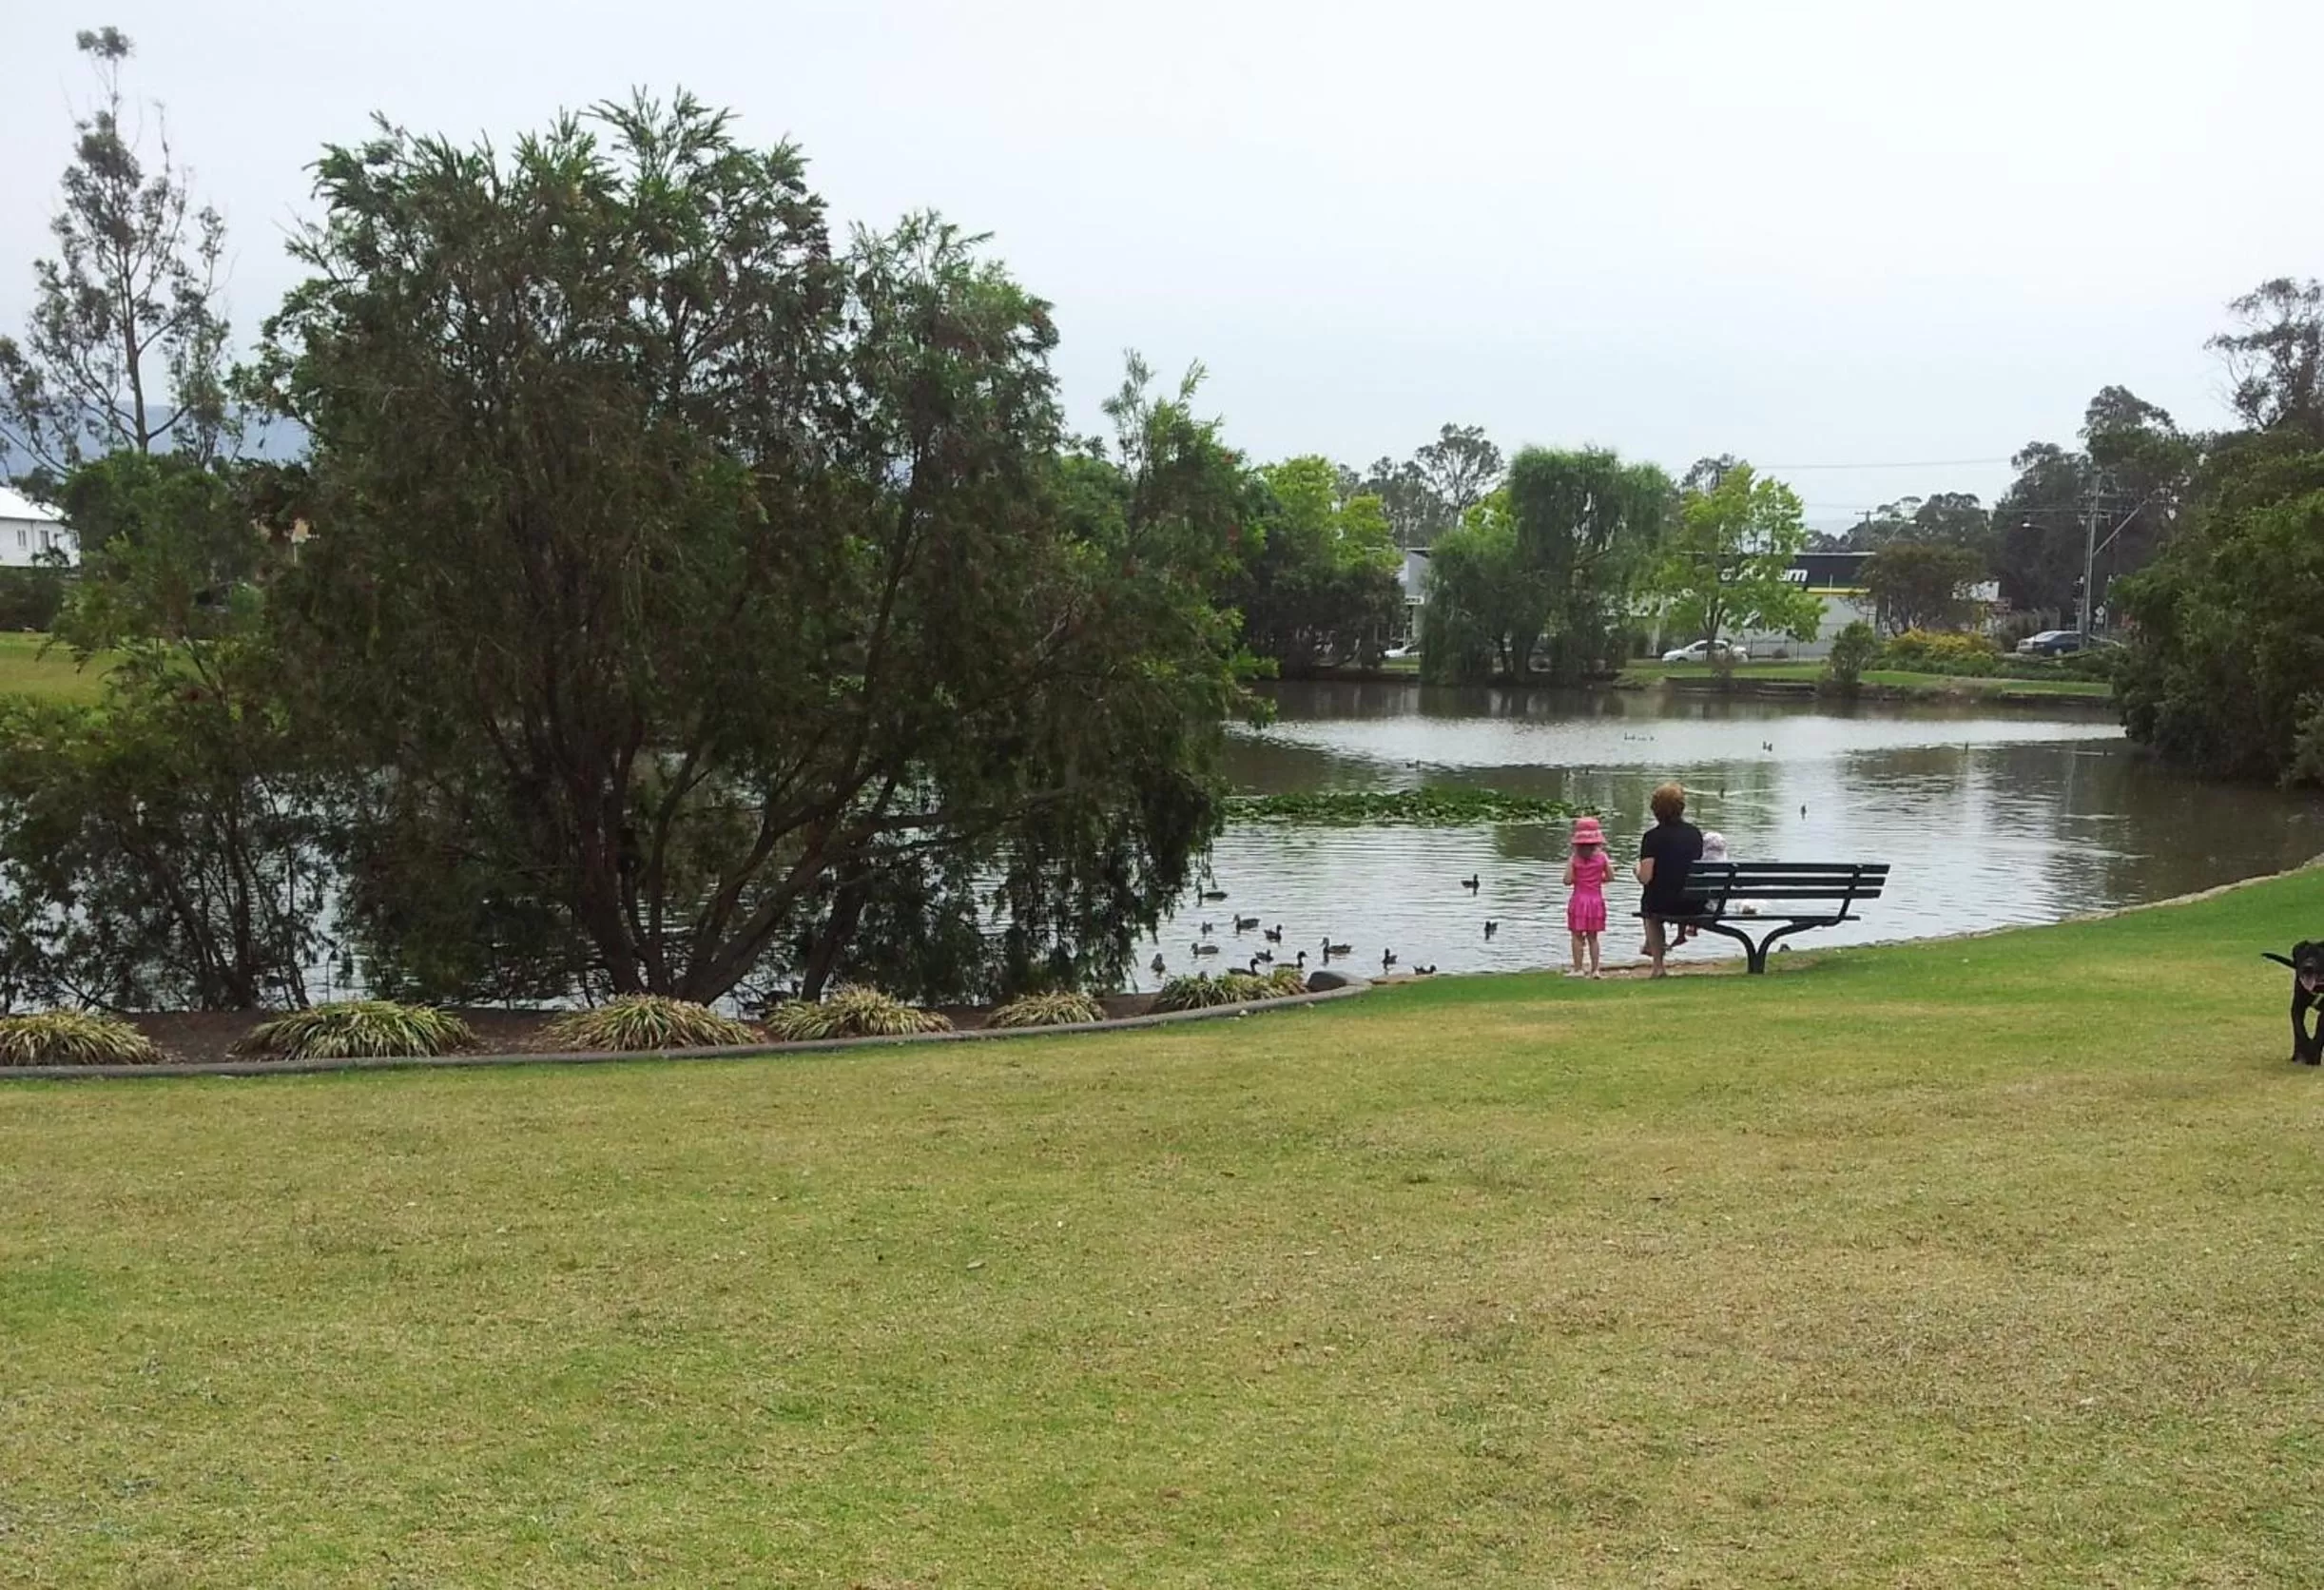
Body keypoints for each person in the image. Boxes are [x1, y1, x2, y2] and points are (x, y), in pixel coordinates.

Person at [1635, 782, 1704, 978]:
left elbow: (1646, 878)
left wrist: (1636, 870)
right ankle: (1656, 946)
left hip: (1662, 903)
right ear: (1682, 807)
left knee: (1650, 907)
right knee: (1661, 895)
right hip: (1692, 902)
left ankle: (1658, 966)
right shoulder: (1694, 834)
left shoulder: (1651, 837)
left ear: (1655, 809)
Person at [1562, 815, 1613, 979]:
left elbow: (1567, 881)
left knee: (1577, 936)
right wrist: (1598, 879)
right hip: (1596, 901)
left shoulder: (1574, 859)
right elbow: (1611, 877)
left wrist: (1578, 877)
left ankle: (1578, 968)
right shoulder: (1602, 858)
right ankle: (1595, 969)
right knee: (1593, 937)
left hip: (1578, 901)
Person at [1675, 830, 1728, 945]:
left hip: (1699, 908)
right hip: (1719, 907)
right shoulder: (1725, 863)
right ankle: (1692, 928)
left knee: (1685, 896)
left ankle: (1682, 934)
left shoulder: (1700, 862)